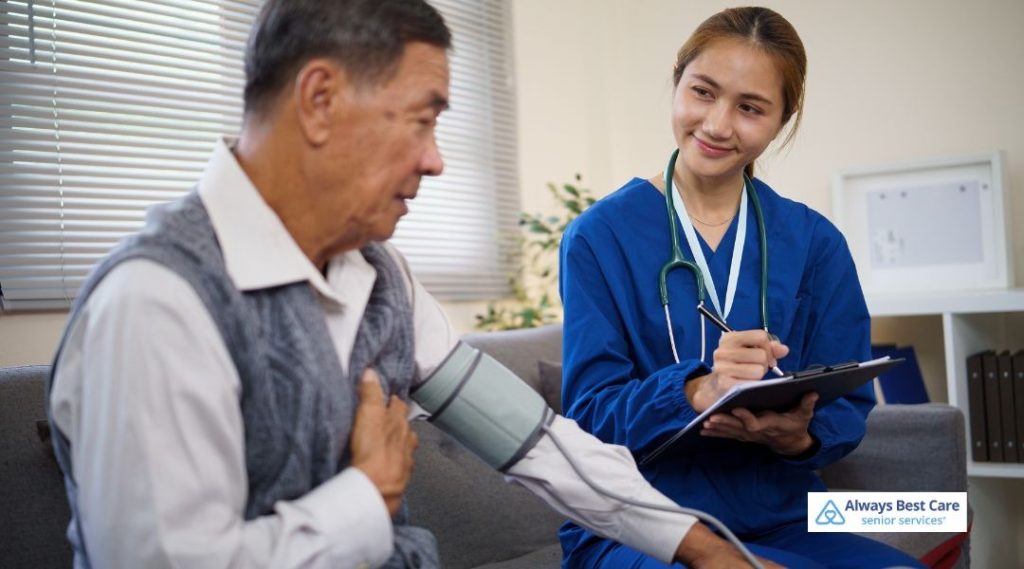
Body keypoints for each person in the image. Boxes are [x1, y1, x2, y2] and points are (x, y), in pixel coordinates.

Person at [46, 1, 772, 568]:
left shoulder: (378, 276)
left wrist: (707, 548)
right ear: (320, 99)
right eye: (422, 120)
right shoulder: (156, 302)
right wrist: (367, 495)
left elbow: (535, 441)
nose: (436, 161)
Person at [558, 6, 926, 569]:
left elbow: (847, 403)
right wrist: (695, 391)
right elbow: (588, 419)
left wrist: (797, 437)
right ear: (677, 78)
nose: (717, 124)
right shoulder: (598, 237)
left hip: (783, 513)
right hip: (640, 522)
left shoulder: (813, 242)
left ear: (782, 119)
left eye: (750, 108)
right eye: (702, 92)